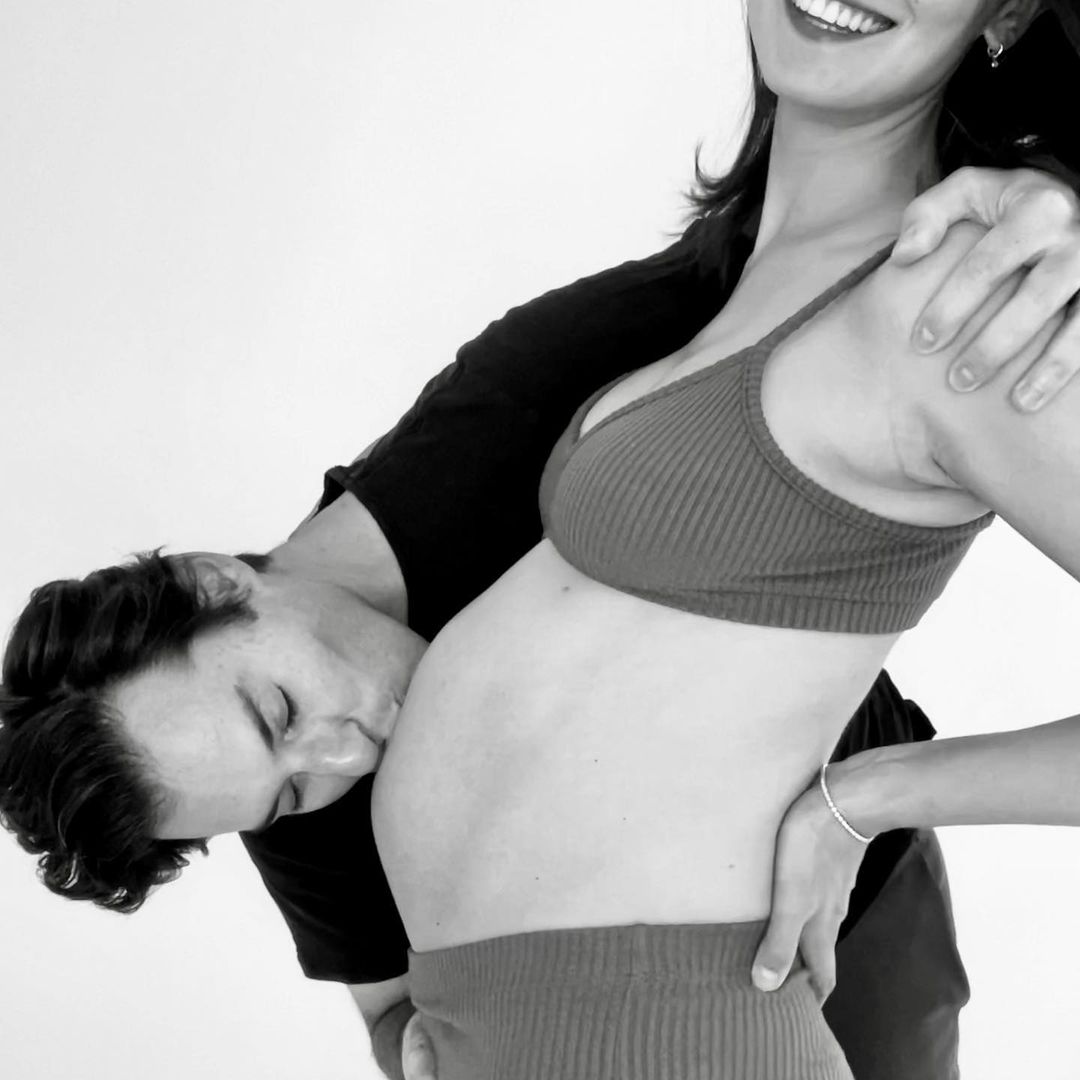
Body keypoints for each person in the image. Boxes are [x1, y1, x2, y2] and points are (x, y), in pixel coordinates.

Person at [3, 1, 1080, 1078]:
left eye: (280, 711)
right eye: (284, 796)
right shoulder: (754, 276)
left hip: (759, 963)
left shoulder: (955, 304)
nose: (344, 756)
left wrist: (872, 797)